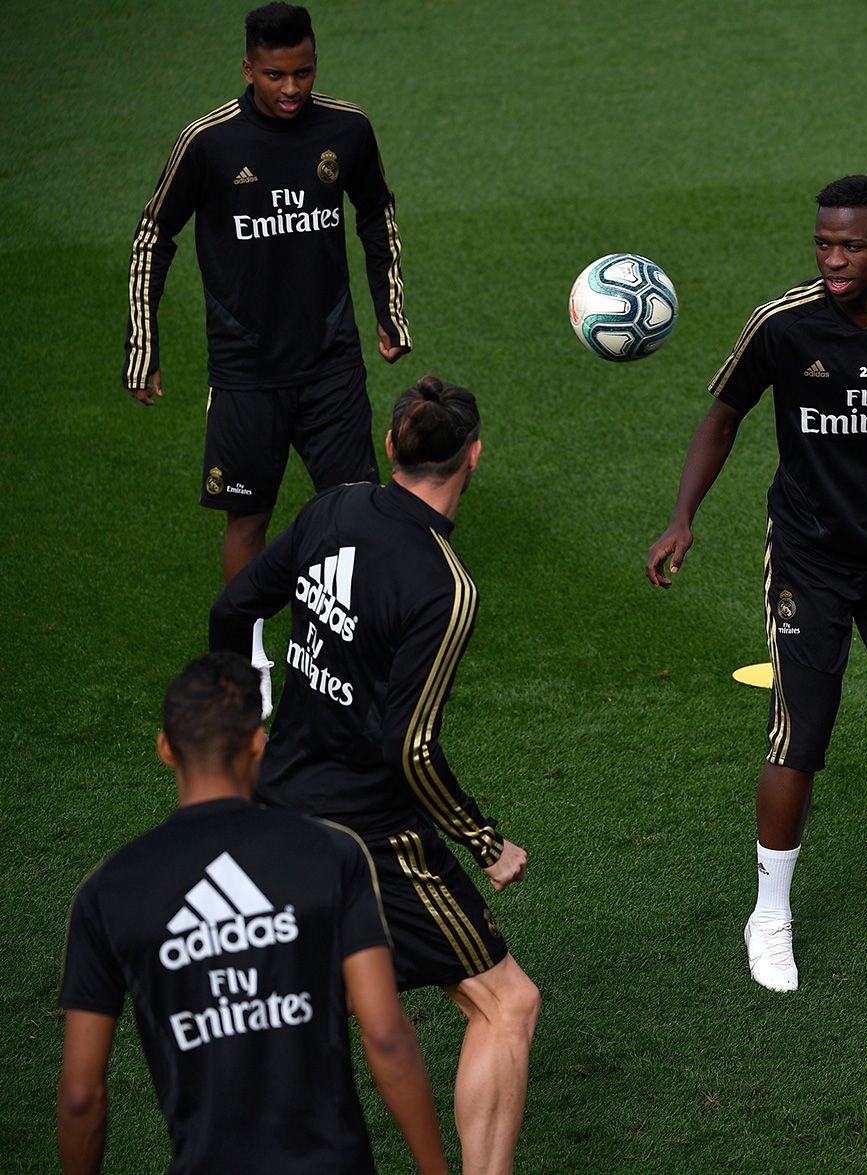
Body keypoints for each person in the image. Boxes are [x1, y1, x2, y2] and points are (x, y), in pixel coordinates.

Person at [646, 175, 867, 992]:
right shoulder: (784, 324)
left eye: (851, 246)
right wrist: (683, 515)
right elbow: (722, 415)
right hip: (810, 559)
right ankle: (771, 912)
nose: (833, 258)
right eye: (824, 243)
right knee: (799, 735)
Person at [210, 376, 538, 1175]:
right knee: (508, 1004)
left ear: (392, 446)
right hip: (370, 833)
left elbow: (234, 609)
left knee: (329, 1000)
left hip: (274, 796)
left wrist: (243, 728)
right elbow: (411, 749)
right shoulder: (445, 586)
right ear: (474, 457)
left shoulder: (335, 506)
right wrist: (486, 840)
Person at [125, 2, 412, 715]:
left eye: (305, 71)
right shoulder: (210, 142)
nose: (292, 88)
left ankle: (345, 657)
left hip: (331, 365)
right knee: (246, 520)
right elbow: (153, 235)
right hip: (246, 373)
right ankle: (245, 659)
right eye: (276, 74)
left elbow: (376, 213)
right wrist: (145, 343)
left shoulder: (346, 129)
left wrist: (389, 311)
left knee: (352, 515)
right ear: (247, 67)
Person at [57, 652, 446, 1175]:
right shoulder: (330, 854)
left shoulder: (109, 892)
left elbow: (81, 1095)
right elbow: (386, 1035)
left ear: (166, 750)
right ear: (259, 744)